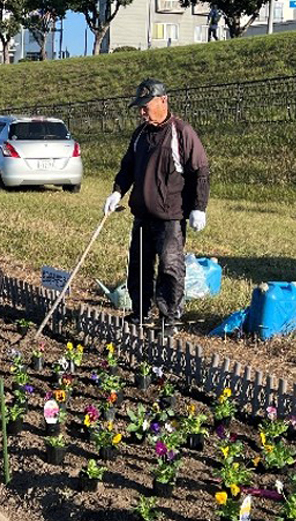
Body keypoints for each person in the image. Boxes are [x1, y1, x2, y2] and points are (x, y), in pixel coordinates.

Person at [103, 79, 210, 336]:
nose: (142, 112)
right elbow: (128, 167)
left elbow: (200, 170)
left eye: (145, 106)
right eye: (139, 107)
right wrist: (117, 191)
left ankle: (169, 318)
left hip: (170, 217)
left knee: (170, 266)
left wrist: (199, 207)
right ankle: (140, 312)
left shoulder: (180, 133)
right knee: (139, 265)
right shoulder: (140, 135)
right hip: (142, 214)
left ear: (163, 101)